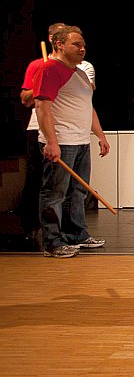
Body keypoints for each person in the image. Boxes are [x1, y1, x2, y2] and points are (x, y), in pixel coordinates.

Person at [33, 25, 110, 258]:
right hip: (62, 140)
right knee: (55, 193)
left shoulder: (80, 73)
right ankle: (52, 242)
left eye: (83, 45)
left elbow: (88, 107)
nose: (82, 49)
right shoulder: (49, 69)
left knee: (78, 191)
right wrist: (51, 141)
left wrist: (100, 135)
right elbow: (42, 106)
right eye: (76, 44)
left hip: (80, 140)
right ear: (59, 44)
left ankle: (76, 234)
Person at [17, 22, 65, 249]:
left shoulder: (74, 68)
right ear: (52, 39)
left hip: (63, 128)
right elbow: (25, 100)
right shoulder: (37, 65)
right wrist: (41, 80)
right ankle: (30, 226)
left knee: (58, 183)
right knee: (36, 178)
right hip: (38, 127)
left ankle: (60, 230)